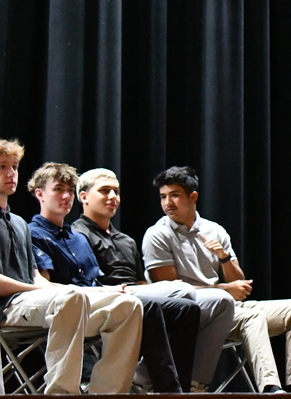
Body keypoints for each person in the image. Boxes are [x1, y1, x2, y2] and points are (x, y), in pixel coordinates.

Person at [27, 163, 200, 393]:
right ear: (40, 194)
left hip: (100, 299)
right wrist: (108, 291)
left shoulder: (76, 239)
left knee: (185, 307)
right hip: (67, 306)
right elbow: (48, 288)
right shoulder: (35, 232)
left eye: (70, 190)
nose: (67, 196)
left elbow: (95, 280)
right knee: (144, 305)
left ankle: (165, 386)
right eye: (59, 190)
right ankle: (164, 390)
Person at [142, 166, 291, 393]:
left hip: (231, 305)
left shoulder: (214, 230)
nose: (168, 203)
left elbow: (239, 281)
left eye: (174, 195)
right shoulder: (157, 234)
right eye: (163, 197)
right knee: (251, 317)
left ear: (192, 197)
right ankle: (270, 388)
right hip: (198, 312)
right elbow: (168, 289)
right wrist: (224, 289)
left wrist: (224, 258)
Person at [72, 167, 236, 393]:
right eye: (104, 191)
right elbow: (87, 283)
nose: (112, 197)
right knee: (183, 293)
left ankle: (187, 386)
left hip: (138, 294)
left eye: (116, 192)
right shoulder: (77, 235)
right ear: (83, 197)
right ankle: (156, 380)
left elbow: (142, 283)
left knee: (210, 304)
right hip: (109, 297)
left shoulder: (126, 240)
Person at [0, 141, 143, 394]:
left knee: (127, 305)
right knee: (71, 297)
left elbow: (37, 278)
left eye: (14, 167)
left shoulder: (18, 223)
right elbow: (28, 284)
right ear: (39, 194)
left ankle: (106, 391)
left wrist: (102, 292)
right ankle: (62, 392)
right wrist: (33, 288)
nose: (11, 174)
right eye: (2, 167)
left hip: (31, 300)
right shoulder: (33, 228)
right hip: (7, 308)